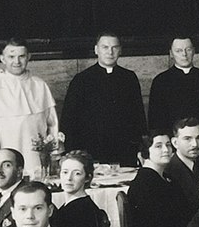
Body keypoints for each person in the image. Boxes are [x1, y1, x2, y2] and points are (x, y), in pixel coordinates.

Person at [61, 34, 145, 164]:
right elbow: (69, 118)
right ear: (96, 50)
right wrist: (73, 152)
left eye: (114, 47)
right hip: (91, 150)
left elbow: (138, 115)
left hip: (124, 150)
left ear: (120, 50)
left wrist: (140, 146)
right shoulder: (82, 80)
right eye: (105, 47)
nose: (110, 52)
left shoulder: (129, 78)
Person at [0, 39, 60, 166]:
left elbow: (52, 124)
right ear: (3, 59)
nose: (17, 62)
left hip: (36, 158)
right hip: (6, 159)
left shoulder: (40, 85)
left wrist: (53, 153)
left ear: (28, 57)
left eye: (22, 56)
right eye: (11, 57)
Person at [148, 37, 199, 156]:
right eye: (179, 51)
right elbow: (156, 122)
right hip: (173, 150)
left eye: (188, 49)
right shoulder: (160, 81)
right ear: (171, 54)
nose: (184, 54)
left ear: (194, 51)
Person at [49, 153, 110, 227]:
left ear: (87, 178)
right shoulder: (74, 205)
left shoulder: (79, 212)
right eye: (65, 172)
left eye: (77, 173)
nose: (69, 178)